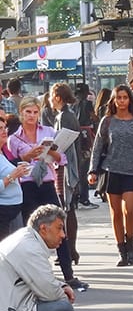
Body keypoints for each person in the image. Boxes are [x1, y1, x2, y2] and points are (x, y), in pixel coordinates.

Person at [9, 97, 85, 289]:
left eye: (35, 112)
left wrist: (52, 153)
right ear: (21, 113)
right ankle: (32, 276)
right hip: (27, 185)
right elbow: (13, 162)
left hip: (47, 182)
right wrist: (27, 156)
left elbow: (62, 158)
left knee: (59, 227)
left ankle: (68, 275)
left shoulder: (49, 132)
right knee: (30, 230)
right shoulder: (14, 138)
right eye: (28, 112)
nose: (32, 116)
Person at [88, 84, 133, 267]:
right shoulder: (107, 121)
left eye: (125, 97)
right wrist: (92, 170)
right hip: (112, 171)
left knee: (129, 209)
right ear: (114, 101)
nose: (122, 101)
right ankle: (122, 250)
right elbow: (97, 147)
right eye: (119, 98)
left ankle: (131, 244)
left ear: (130, 99)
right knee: (115, 213)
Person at [0, 204, 76, 311]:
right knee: (65, 308)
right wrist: (63, 295)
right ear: (43, 229)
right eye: (59, 228)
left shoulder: (24, 238)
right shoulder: (29, 249)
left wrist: (62, 286)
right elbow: (49, 292)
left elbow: (40, 278)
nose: (63, 235)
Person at [49, 83, 84, 268]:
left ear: (57, 97)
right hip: (65, 166)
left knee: (67, 209)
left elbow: (65, 145)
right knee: (66, 210)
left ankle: (70, 249)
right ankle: (69, 249)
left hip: (65, 167)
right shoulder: (66, 115)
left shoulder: (65, 117)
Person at [0, 115, 29, 240]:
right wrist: (12, 176)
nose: (4, 131)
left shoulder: (3, 151)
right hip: (3, 211)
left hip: (13, 208)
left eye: (4, 127)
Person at [73, 83, 99, 209]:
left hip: (74, 137)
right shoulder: (87, 104)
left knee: (77, 168)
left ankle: (75, 196)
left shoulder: (71, 105)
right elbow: (94, 117)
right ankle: (84, 197)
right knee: (84, 168)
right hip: (85, 136)